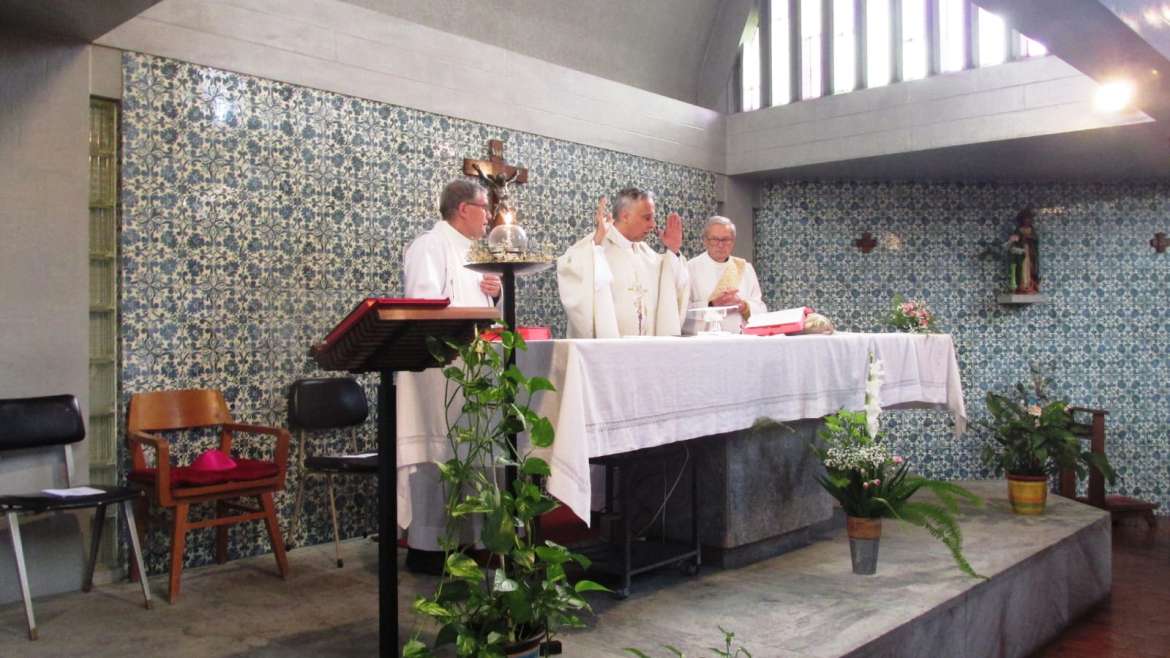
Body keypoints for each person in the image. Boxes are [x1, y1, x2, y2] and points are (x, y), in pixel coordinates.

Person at [399, 179, 501, 574]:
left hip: (473, 368)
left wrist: (494, 292)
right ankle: (430, 548)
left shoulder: (476, 252)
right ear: (463, 209)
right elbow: (424, 307)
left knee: (472, 454)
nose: (489, 216)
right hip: (439, 373)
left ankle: (469, 541)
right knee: (439, 456)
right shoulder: (430, 245)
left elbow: (485, 310)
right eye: (483, 208)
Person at [556, 188, 690, 337]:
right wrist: (596, 248)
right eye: (647, 218)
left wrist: (673, 250)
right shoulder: (596, 246)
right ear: (625, 216)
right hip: (609, 354)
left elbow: (672, 288)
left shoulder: (648, 255)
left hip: (648, 353)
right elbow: (569, 271)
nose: (653, 225)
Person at [685, 216, 766, 333]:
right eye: (714, 239)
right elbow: (681, 311)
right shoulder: (690, 268)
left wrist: (743, 305)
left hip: (740, 339)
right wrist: (711, 304)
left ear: (733, 242)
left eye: (726, 240)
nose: (720, 245)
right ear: (705, 241)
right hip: (704, 341)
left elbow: (761, 308)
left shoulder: (745, 268)